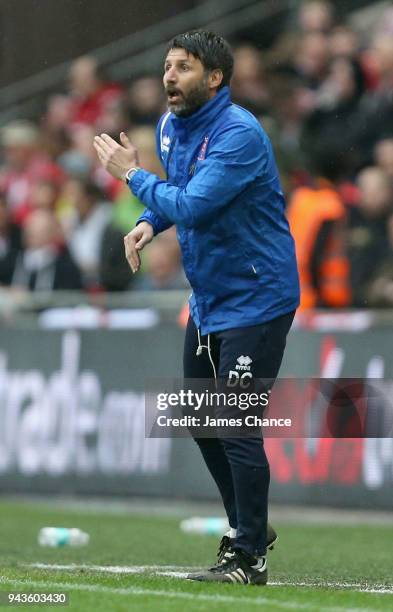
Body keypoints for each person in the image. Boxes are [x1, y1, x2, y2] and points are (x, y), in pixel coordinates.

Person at [94, 30, 299, 586]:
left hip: (257, 298)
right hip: (210, 299)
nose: (168, 77)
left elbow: (196, 203)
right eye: (166, 66)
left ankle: (250, 556)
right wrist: (146, 222)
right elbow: (179, 197)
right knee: (199, 418)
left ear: (215, 78)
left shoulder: (238, 134)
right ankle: (248, 526)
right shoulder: (168, 128)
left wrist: (132, 178)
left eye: (183, 67)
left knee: (235, 423)